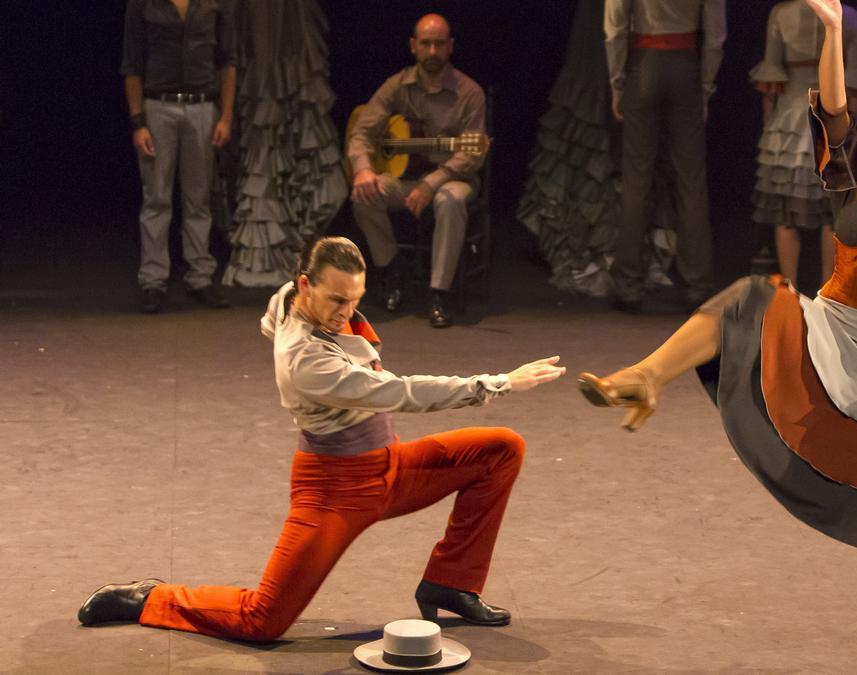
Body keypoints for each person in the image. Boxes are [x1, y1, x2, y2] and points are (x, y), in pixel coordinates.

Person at [578, 0, 857, 671]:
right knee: (752, 296)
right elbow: (833, 109)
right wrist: (831, 30)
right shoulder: (847, 177)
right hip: (836, 332)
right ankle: (646, 376)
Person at [77, 237, 565, 640]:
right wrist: (498, 382)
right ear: (307, 286)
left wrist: (327, 314)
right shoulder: (306, 362)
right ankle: (151, 597)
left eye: (355, 299)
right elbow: (399, 391)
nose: (346, 311)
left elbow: (271, 321)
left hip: (390, 468)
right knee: (263, 620)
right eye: (336, 300)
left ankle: (449, 584)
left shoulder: (291, 297)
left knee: (501, 450)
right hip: (334, 492)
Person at [348, 14, 485, 329]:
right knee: (364, 195)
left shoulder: (469, 93)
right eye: (426, 44)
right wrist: (364, 169)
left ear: (450, 47)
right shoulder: (397, 85)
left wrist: (432, 182)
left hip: (453, 179)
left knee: (449, 200)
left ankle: (440, 292)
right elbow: (362, 132)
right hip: (406, 179)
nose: (433, 51)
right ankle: (392, 269)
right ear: (414, 46)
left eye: (440, 44)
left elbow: (472, 152)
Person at [604, 0, 726, 313]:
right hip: (685, 65)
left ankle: (628, 286)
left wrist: (617, 83)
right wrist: (705, 87)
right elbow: (715, 36)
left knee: (636, 179)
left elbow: (615, 28)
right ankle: (697, 285)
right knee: (691, 181)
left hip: (643, 66)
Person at [121, 0, 238, 314]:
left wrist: (226, 117)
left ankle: (200, 276)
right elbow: (132, 65)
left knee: (198, 197)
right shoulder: (143, 4)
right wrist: (138, 121)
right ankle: (153, 280)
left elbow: (227, 62)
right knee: (156, 197)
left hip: (202, 106)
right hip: (158, 105)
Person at [750, 0, 857, 286]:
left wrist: (769, 128)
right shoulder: (850, 17)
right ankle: (827, 289)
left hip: (788, 124)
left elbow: (771, 84)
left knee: (786, 212)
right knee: (832, 211)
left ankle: (789, 288)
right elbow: (853, 86)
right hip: (831, 121)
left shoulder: (781, 14)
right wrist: (851, 131)